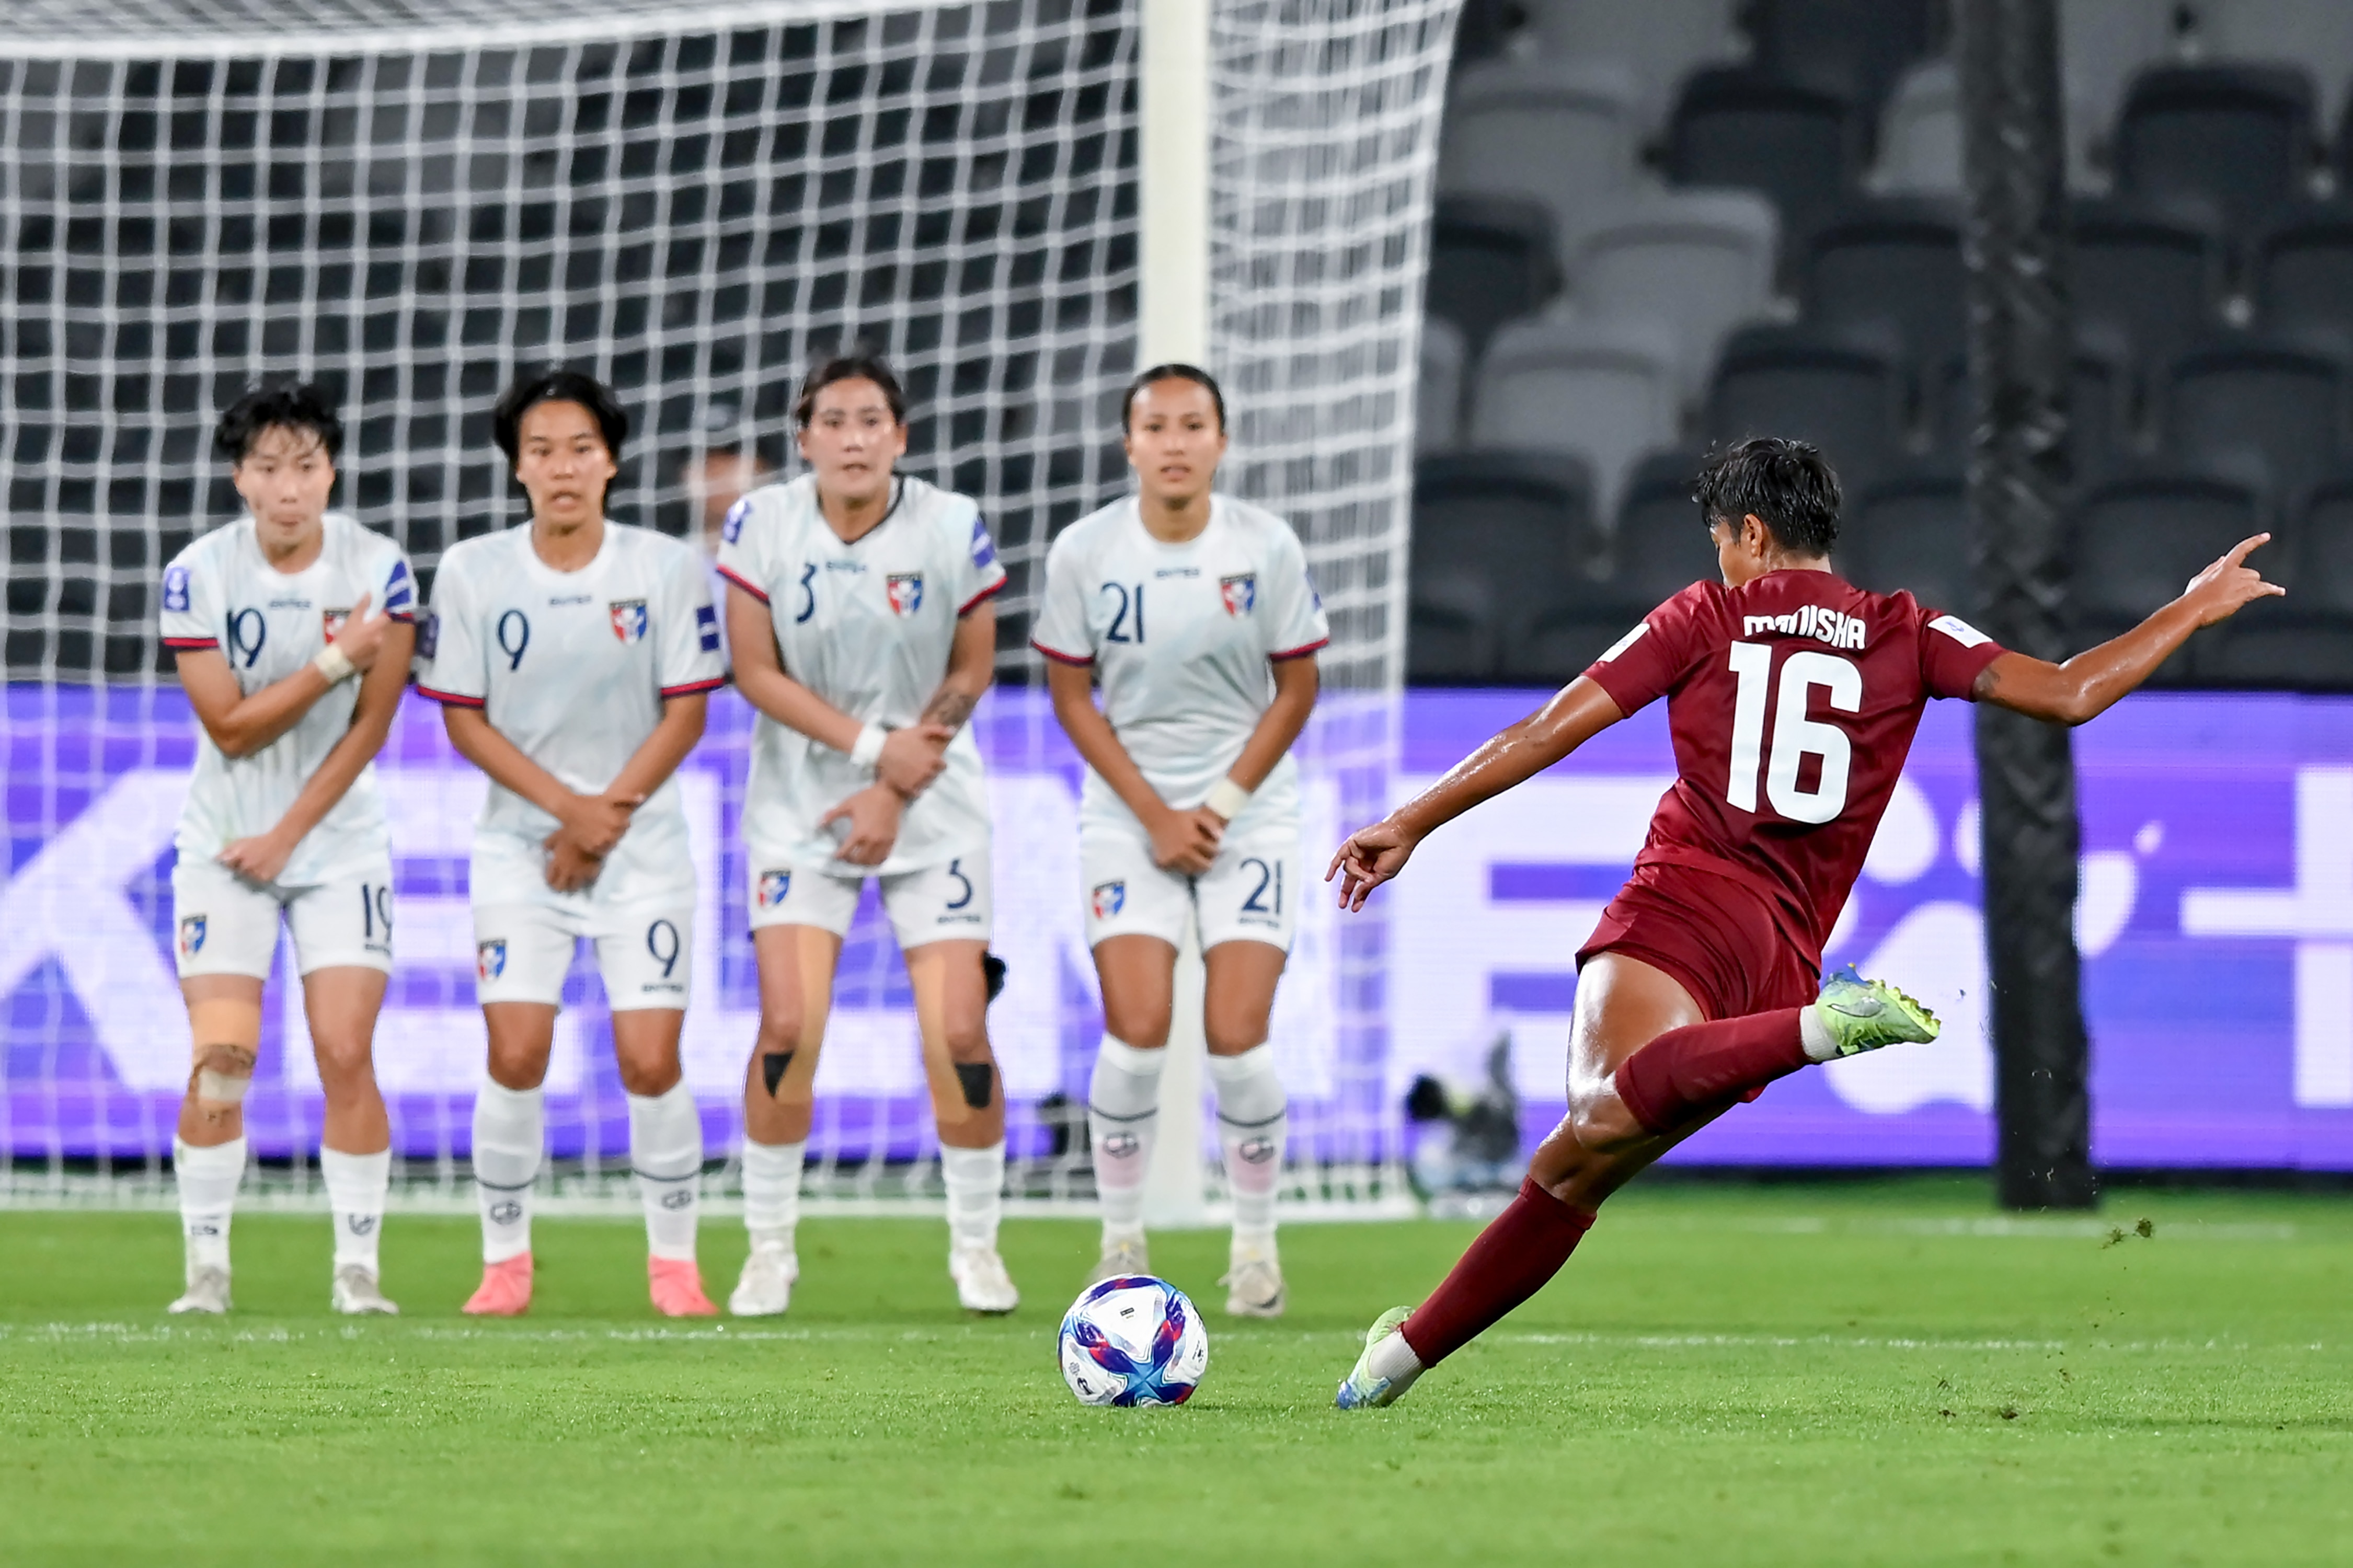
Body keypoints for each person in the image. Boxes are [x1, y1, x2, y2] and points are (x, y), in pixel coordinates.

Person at [1326, 436, 2285, 1408]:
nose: (1720, 562)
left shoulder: (1704, 615)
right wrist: (2190, 606)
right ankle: (1394, 1362)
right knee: (1576, 1168)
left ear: (1749, 532)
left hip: (1683, 903)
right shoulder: (1908, 630)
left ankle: (1825, 1028)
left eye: (1721, 541)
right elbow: (2071, 692)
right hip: (1780, 949)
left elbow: (1545, 730)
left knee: (1598, 1111)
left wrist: (1410, 821)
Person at [417, 367, 726, 1318]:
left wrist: (604, 818)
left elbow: (685, 715)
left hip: (640, 846)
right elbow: (463, 720)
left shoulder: (666, 568)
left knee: (650, 1062)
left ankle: (675, 1268)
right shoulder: (473, 570)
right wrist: (566, 813)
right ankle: (504, 1264)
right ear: (517, 468)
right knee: (516, 1054)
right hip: (522, 845)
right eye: (542, 451)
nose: (562, 468)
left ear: (612, 464)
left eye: (580, 450)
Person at [716, 353, 1018, 1317]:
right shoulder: (759, 524)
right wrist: (869, 749)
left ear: (900, 436)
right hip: (798, 807)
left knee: (958, 1032)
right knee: (789, 1027)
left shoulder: (950, 524)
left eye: (871, 421)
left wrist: (897, 775)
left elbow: (974, 662)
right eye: (833, 421)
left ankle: (976, 1247)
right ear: (802, 438)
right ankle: (768, 1249)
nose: (852, 438)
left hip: (932, 802)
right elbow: (752, 670)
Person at [1031, 363, 1327, 1317]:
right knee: (1139, 1024)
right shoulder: (1084, 551)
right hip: (1128, 812)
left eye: (1191, 424)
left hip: (1249, 811)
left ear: (1220, 442)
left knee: (1236, 1035)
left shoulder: (1264, 546)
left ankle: (1254, 1252)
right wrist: (1155, 812)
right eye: (1153, 426)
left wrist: (1223, 802)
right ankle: (1119, 1240)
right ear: (1128, 444)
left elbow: (1297, 687)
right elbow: (1071, 694)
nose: (1172, 442)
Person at [158, 381, 415, 1315]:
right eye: (269, 469)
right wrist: (335, 660)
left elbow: (370, 731)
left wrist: (290, 836)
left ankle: (357, 1272)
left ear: (331, 471)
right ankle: (207, 1273)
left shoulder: (380, 568)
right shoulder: (197, 574)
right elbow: (229, 730)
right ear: (240, 479)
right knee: (222, 1057)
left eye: (306, 467)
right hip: (223, 848)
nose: (289, 489)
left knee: (346, 1050)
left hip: (337, 845)